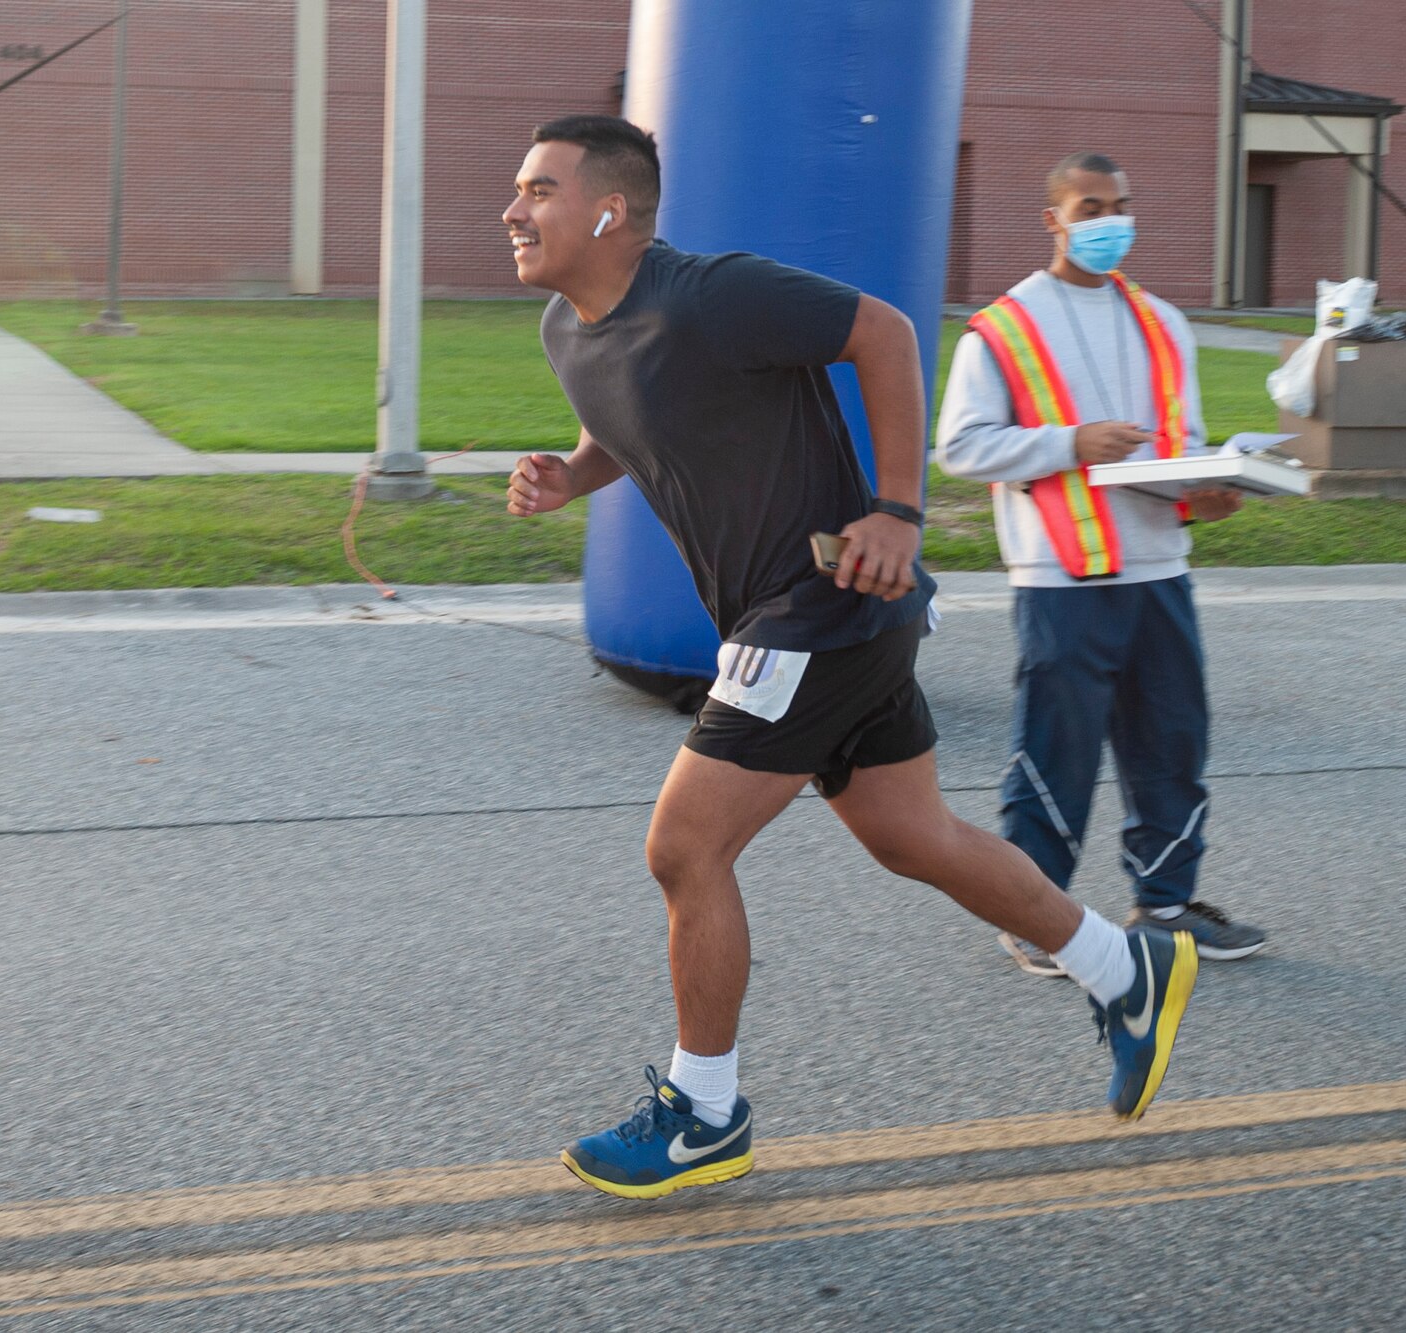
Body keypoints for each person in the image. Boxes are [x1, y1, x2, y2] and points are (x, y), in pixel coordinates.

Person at [501, 115, 1198, 1201]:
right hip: (798, 621)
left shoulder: (710, 292)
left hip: (821, 604)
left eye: (538, 189)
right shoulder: (567, 329)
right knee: (909, 833)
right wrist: (570, 476)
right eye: (517, 189)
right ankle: (1124, 968)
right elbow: (633, 424)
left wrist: (897, 511)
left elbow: (881, 334)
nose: (512, 209)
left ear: (608, 210)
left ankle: (703, 1112)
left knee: (683, 847)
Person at [935, 152, 1267, 980]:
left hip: (1158, 568)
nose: (1109, 221)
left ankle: (1167, 904)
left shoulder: (1161, 322)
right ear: (1053, 218)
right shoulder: (1006, 326)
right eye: (1091, 207)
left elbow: (1177, 447)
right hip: (1063, 574)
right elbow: (961, 447)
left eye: (1120, 204)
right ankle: (1033, 913)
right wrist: (1069, 443)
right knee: (1058, 750)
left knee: (1172, 741)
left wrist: (1208, 492)